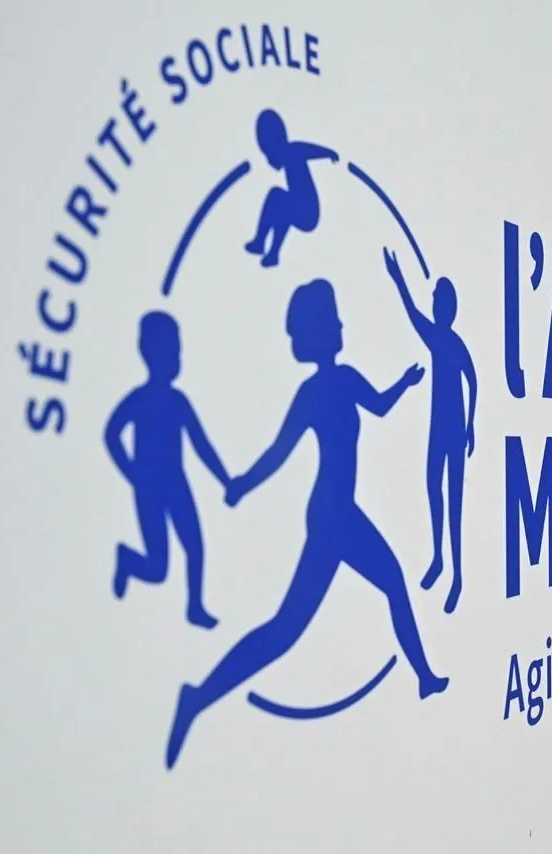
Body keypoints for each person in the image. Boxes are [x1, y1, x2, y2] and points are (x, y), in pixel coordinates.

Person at [164, 278, 449, 770]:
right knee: (288, 629)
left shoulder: (346, 380)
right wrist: (242, 485)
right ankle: (198, 696)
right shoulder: (313, 393)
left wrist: (405, 383)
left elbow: (380, 405)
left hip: (341, 511)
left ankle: (423, 676)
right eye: (332, 320)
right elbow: (279, 452)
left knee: (363, 594)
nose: (341, 325)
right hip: (330, 517)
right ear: (317, 332)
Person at [104, 310, 229, 629]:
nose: (176, 358)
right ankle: (128, 560)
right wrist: (132, 473)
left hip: (176, 484)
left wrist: (225, 480)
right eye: (171, 351)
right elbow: (112, 433)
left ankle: (195, 606)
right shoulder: (139, 399)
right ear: (149, 354)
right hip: (149, 488)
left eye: (178, 350)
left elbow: (201, 445)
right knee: (158, 568)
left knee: (195, 547)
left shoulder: (178, 401)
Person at [383, 247, 478, 615]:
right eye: (434, 299)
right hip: (438, 429)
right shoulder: (438, 338)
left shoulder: (448, 342)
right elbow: (412, 314)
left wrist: (471, 426)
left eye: (438, 299)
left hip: (453, 430)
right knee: (431, 487)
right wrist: (397, 279)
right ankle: (438, 557)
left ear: (448, 308)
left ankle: (458, 576)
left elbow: (474, 379)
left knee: (455, 501)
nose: (434, 303)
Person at [244, 108, 339, 268]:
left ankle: (262, 241)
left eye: (270, 155)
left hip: (308, 212)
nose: (270, 161)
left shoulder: (292, 150)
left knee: (276, 196)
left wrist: (329, 153)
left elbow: (308, 149)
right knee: (282, 207)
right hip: (300, 208)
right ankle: (272, 253)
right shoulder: (290, 154)